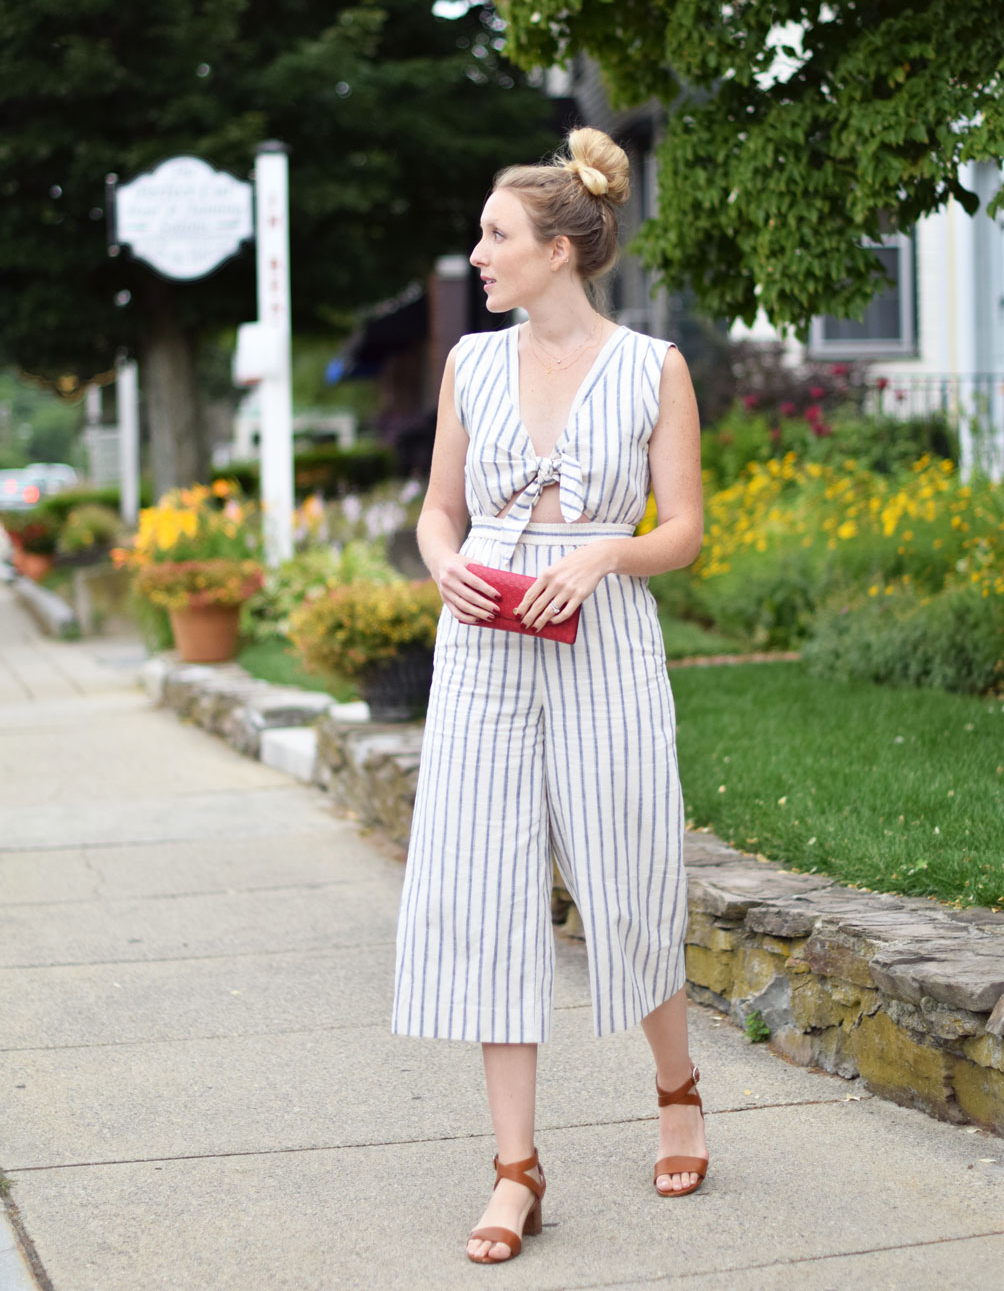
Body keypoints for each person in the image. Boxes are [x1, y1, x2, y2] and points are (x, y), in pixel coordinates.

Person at [392, 127, 706, 1264]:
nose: (477, 254)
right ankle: (514, 1170)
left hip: (603, 642)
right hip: (481, 651)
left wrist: (601, 557)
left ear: (561, 250)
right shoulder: (469, 365)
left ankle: (675, 1083)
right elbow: (436, 511)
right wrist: (445, 565)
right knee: (484, 897)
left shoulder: (650, 366)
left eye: (495, 236)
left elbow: (680, 530)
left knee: (626, 879)